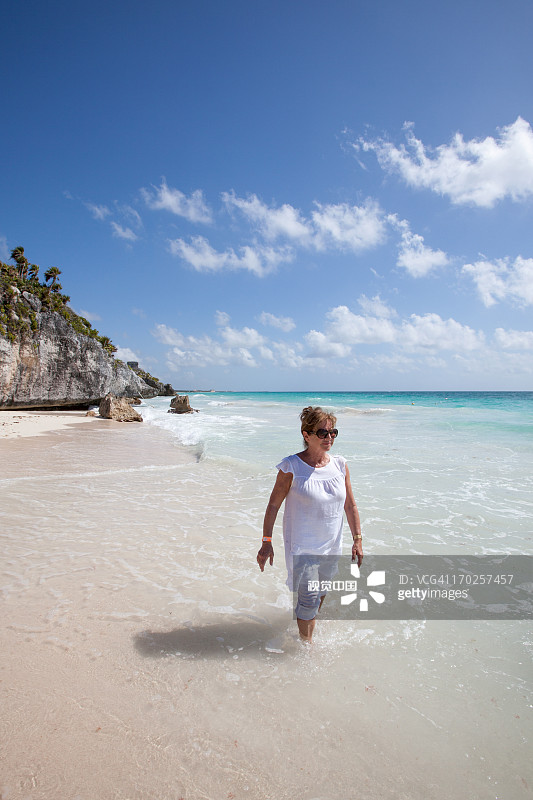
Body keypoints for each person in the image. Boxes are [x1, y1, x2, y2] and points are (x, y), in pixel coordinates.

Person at [257, 406, 363, 643]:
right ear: (306, 435)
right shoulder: (291, 467)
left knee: (319, 595)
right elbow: (273, 506)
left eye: (333, 433)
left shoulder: (340, 465)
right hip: (303, 548)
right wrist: (266, 542)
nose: (329, 438)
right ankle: (306, 648)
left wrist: (357, 540)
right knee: (309, 599)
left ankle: (304, 629)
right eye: (322, 433)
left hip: (331, 546)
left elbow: (350, 505)